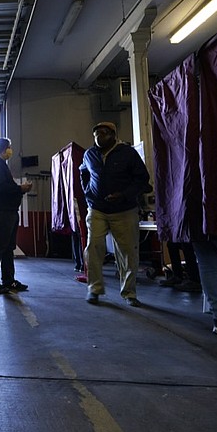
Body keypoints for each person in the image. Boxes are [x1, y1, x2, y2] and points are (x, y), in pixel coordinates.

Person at [80, 122, 151, 307]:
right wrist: (88, 193)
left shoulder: (128, 153)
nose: (99, 136)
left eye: (103, 133)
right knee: (93, 247)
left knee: (128, 252)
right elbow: (83, 172)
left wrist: (125, 194)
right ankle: (94, 289)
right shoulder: (89, 154)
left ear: (113, 135)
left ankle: (129, 292)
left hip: (124, 210)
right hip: (97, 209)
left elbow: (142, 179)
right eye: (96, 133)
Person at [0, 138, 33, 294]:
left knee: (8, 247)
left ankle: (8, 280)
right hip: (2, 211)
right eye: (9, 147)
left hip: (9, 211)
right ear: (2, 149)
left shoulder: (1, 166)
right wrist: (20, 189)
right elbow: (1, 188)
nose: (11, 150)